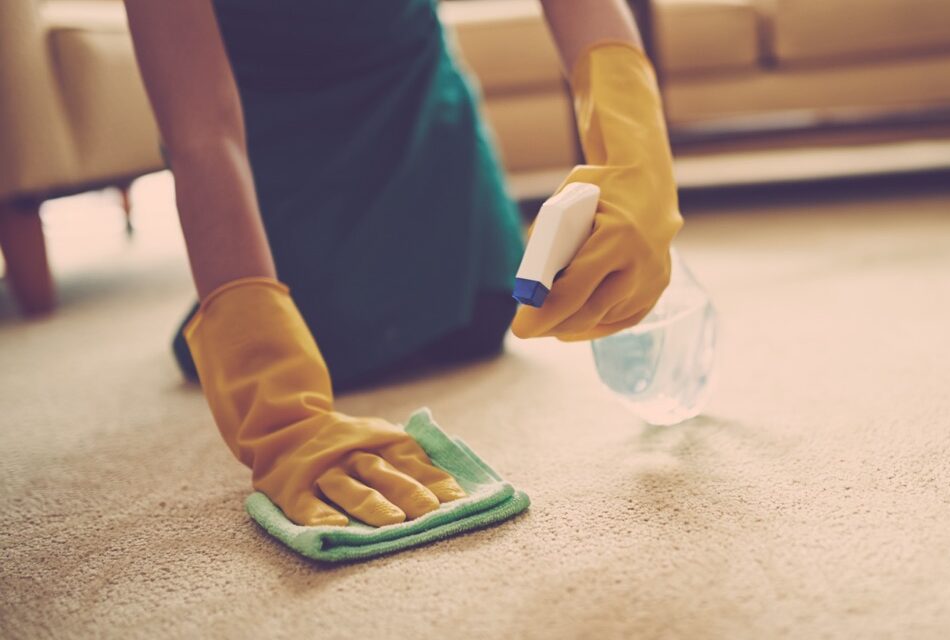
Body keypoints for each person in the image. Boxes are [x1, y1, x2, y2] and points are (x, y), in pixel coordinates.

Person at [123, 0, 682, 528]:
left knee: (482, 315)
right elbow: (201, 135)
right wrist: (274, 404)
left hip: (416, 108)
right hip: (267, 135)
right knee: (329, 338)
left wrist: (633, 147)